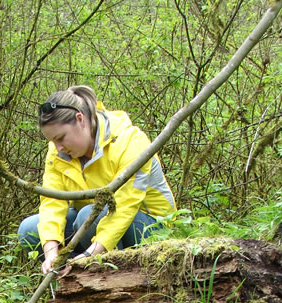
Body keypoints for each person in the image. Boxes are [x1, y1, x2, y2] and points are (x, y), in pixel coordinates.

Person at [18, 85, 176, 274]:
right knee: (29, 231)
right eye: (52, 141)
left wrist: (89, 253)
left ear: (80, 119)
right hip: (92, 223)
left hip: (149, 227)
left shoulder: (130, 141)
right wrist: (52, 253)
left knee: (87, 216)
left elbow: (125, 207)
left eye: (61, 138)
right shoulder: (57, 153)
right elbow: (52, 203)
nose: (58, 147)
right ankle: (77, 281)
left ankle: (116, 281)